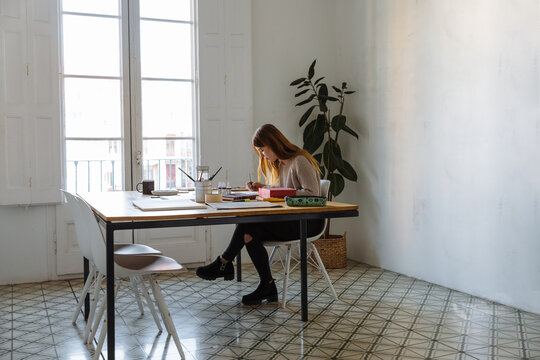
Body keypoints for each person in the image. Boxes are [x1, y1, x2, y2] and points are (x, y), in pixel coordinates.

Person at [196, 124, 325, 305]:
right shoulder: (281, 164)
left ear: (274, 143)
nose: (262, 155)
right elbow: (284, 191)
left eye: (262, 150)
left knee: (248, 224)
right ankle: (267, 285)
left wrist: (279, 192)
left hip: (306, 221)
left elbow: (313, 195)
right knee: (249, 232)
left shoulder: (299, 161)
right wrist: (264, 188)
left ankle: (224, 263)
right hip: (289, 219)